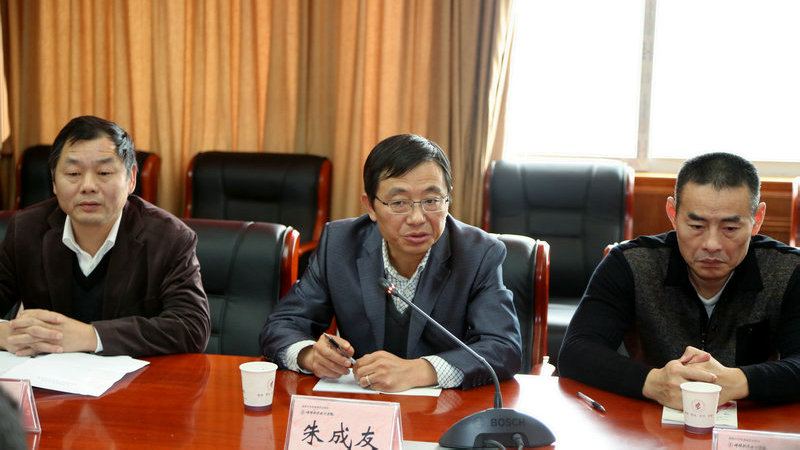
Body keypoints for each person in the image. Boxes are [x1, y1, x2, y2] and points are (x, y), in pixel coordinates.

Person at [259, 134, 521, 392]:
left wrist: (421, 370)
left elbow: (504, 347)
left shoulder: (478, 253)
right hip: (361, 405)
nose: (417, 218)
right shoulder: (339, 244)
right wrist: (309, 355)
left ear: (448, 199)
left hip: (443, 409)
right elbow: (281, 326)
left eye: (431, 201)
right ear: (370, 207)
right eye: (399, 203)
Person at [558, 152, 800, 409]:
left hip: (752, 424)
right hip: (648, 420)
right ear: (673, 213)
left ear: (757, 220)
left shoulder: (788, 270)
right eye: (696, 226)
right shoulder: (630, 263)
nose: (712, 244)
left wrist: (739, 382)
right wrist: (653, 382)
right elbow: (576, 351)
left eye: (730, 228)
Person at [0, 115, 210, 357]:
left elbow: (192, 327)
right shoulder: (26, 230)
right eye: (73, 173)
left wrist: (90, 336)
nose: (88, 186)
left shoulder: (169, 237)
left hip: (135, 379)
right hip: (45, 379)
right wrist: (6, 334)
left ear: (131, 179)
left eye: (104, 172)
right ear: (54, 181)